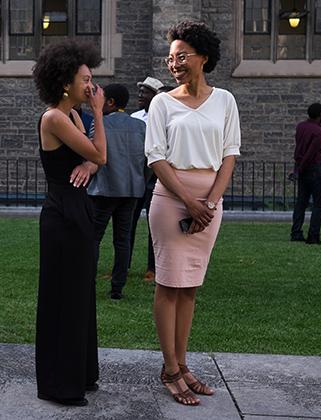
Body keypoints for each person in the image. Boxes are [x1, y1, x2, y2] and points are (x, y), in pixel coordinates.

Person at [146, 21, 240, 406]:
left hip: (209, 205)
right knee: (168, 286)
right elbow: (156, 157)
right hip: (172, 201)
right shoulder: (161, 103)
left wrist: (211, 203)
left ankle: (182, 365)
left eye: (181, 55)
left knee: (190, 289)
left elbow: (229, 154)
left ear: (203, 57)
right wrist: (189, 201)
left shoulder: (225, 101)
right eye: (170, 57)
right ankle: (169, 369)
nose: (174, 63)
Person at [33, 39, 106, 407]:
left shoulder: (74, 116)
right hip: (61, 218)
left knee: (81, 297)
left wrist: (88, 164)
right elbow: (101, 153)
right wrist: (100, 114)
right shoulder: (55, 118)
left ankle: (80, 374)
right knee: (63, 299)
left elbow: (93, 161)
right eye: (86, 79)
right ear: (65, 83)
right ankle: (59, 383)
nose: (92, 86)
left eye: (92, 80)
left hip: (79, 212)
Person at [87, 83, 147, 300]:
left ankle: (88, 284)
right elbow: (147, 161)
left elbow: (93, 154)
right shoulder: (140, 126)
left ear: (110, 102)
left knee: (93, 238)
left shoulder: (100, 123)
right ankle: (117, 288)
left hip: (104, 189)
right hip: (131, 190)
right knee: (122, 240)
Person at [129, 77, 166, 282]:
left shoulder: (164, 116)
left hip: (156, 178)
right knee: (129, 223)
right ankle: (123, 266)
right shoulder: (134, 117)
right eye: (140, 91)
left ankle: (153, 268)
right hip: (137, 177)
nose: (141, 96)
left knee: (155, 227)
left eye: (146, 92)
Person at [290, 103, 321, 244]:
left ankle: (296, 232)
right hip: (314, 169)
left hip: (302, 168)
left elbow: (301, 147)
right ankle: (313, 235)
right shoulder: (318, 132)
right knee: (319, 204)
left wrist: (298, 169)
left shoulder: (301, 126)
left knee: (301, 202)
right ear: (320, 115)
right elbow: (311, 152)